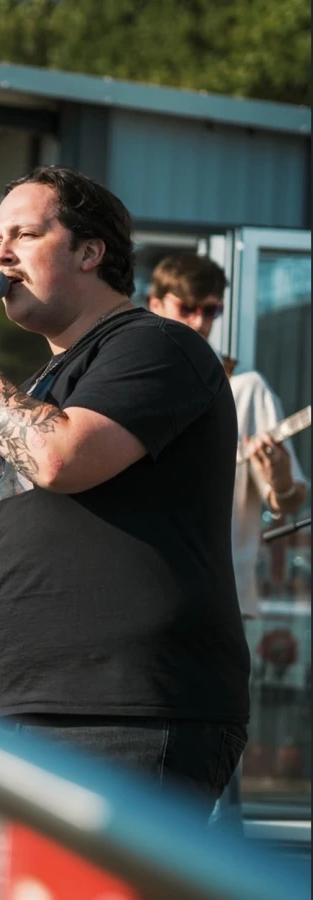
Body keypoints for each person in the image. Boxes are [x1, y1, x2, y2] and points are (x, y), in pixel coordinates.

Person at [0, 165, 250, 818]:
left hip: (132, 711)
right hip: (34, 708)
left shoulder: (156, 345)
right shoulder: (42, 383)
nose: (2, 256)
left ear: (90, 251)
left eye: (25, 235)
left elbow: (57, 458)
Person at [149, 252, 307, 830]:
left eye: (211, 310)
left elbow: (287, 501)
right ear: (156, 304)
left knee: (212, 757)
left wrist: (280, 476)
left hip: (217, 596)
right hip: (137, 591)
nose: (199, 320)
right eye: (187, 307)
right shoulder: (133, 378)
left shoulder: (245, 387)